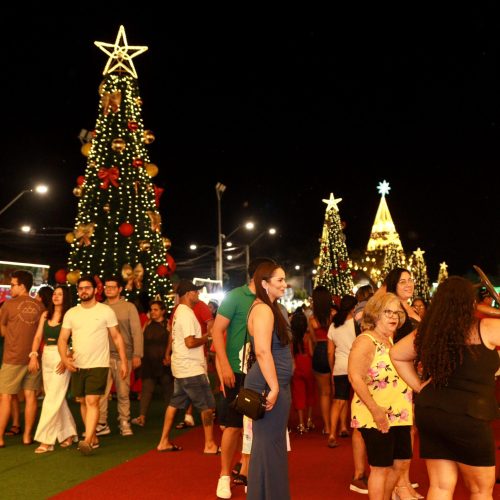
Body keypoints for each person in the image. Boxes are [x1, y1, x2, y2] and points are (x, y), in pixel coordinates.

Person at [391, 276, 500, 499]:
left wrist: (420, 387)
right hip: (469, 417)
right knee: (481, 490)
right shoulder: (487, 327)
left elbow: (397, 355)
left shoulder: (429, 333)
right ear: (470, 303)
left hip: (432, 412)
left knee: (440, 487)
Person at [213, 257, 276, 500]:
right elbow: (217, 332)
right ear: (261, 277)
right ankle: (224, 475)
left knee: (258, 425)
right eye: (274, 276)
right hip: (237, 371)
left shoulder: (269, 300)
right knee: (233, 426)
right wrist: (225, 366)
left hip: (261, 371)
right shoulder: (235, 297)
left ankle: (250, 472)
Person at [348, 292, 413, 499]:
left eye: (396, 312)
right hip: (375, 412)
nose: (394, 316)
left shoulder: (390, 341)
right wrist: (376, 411)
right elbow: (355, 377)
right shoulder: (365, 341)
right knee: (381, 467)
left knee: (401, 462)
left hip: (399, 412)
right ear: (375, 314)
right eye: (388, 312)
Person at [58, 275, 128, 456]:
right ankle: (93, 436)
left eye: (87, 288)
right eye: (80, 288)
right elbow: (63, 339)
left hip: (99, 364)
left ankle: (88, 439)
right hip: (78, 364)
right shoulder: (72, 313)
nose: (83, 291)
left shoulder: (105, 311)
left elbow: (117, 337)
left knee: (92, 400)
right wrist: (65, 359)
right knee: (82, 401)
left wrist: (124, 361)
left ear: (95, 290)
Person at [244, 261, 293, 499]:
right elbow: (262, 351)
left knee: (269, 445)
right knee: (268, 445)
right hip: (267, 385)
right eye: (279, 280)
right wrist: (273, 387)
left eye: (284, 279)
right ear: (265, 284)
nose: (285, 284)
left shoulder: (270, 307)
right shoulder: (263, 309)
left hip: (273, 384)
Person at [156, 279, 219, 454]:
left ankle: (163, 441)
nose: (198, 294)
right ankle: (209, 445)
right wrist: (207, 337)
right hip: (191, 367)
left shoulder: (179, 312)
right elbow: (190, 342)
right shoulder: (187, 314)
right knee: (207, 406)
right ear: (188, 294)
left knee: (174, 403)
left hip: (181, 366)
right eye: (196, 292)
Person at [28, 285, 77, 452]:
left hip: (61, 356)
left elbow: (76, 340)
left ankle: (46, 440)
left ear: (67, 297)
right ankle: (69, 433)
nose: (56, 296)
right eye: (55, 294)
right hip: (46, 356)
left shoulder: (70, 316)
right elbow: (37, 337)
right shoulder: (45, 314)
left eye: (60, 294)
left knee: (51, 399)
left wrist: (67, 358)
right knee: (54, 397)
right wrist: (34, 355)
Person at [0, 270, 44, 447]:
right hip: (33, 358)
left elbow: (2, 328)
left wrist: (10, 335)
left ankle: (0, 437)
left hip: (12, 357)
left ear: (22, 286)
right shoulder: (40, 306)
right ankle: (27, 436)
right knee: (30, 396)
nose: (10, 287)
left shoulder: (8, 305)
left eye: (13, 284)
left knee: (5, 397)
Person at [97, 275, 143, 437]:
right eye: (106, 286)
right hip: (103, 356)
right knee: (102, 392)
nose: (108, 289)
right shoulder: (99, 307)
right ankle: (101, 423)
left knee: (123, 392)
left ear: (120, 289)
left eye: (112, 287)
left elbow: (137, 332)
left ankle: (124, 421)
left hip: (125, 356)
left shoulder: (129, 307)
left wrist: (137, 354)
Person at [131, 300, 173, 428]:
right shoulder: (147, 324)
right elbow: (140, 339)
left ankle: (170, 417)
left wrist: (168, 355)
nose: (153, 312)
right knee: (146, 390)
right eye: (152, 309)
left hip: (163, 362)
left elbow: (171, 340)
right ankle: (142, 417)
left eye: (156, 310)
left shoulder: (168, 324)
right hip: (148, 362)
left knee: (168, 390)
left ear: (163, 311)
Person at [326, 294, 357, 448]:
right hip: (356, 366)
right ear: (353, 308)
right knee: (356, 399)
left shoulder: (334, 325)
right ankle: (345, 428)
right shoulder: (357, 324)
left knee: (339, 399)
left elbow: (330, 352)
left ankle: (335, 432)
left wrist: (332, 369)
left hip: (340, 366)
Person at [309, 285, 335, 435]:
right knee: (336, 391)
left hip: (319, 351)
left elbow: (313, 339)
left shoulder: (312, 319)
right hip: (334, 351)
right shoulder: (334, 316)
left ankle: (327, 426)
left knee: (324, 393)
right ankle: (339, 424)